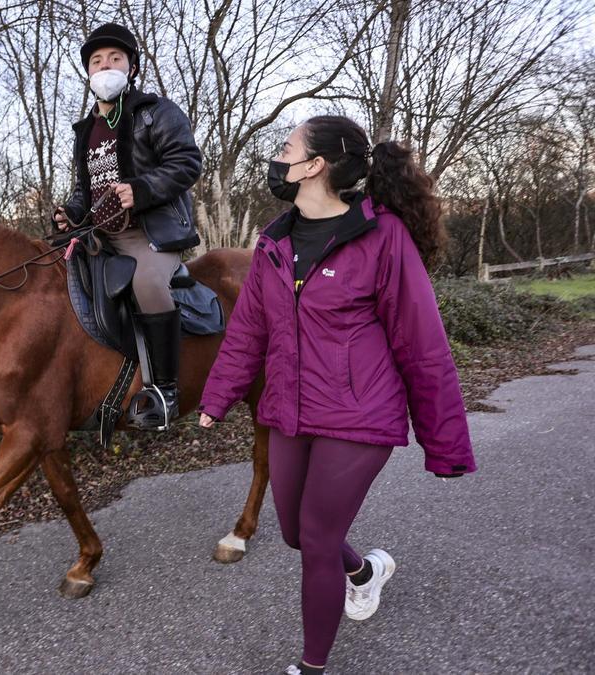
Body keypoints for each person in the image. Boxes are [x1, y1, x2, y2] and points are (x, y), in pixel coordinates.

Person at [196, 115, 477, 674]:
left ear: (315, 164)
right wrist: (217, 397)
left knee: (319, 540)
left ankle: (310, 667)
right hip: (289, 410)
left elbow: (422, 346)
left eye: (286, 148)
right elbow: (250, 328)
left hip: (359, 414)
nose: (278, 157)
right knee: (298, 533)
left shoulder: (382, 237)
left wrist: (443, 444)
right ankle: (364, 571)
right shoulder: (274, 240)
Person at [55, 22, 203, 432]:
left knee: (148, 284)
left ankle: (165, 392)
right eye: (97, 61)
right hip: (98, 238)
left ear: (131, 67)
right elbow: (85, 191)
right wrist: (69, 213)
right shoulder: (84, 131)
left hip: (149, 233)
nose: (106, 66)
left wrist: (140, 189)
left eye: (115, 59)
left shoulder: (157, 112)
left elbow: (187, 163)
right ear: (88, 72)